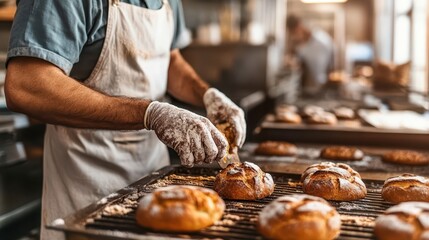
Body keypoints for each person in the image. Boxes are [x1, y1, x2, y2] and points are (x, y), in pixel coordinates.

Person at [4, 0, 246, 239]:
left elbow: (169, 60)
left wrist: (207, 95)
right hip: (87, 189)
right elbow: (27, 84)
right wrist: (149, 113)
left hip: (157, 183)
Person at [286, 14, 334, 96]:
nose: (294, 35)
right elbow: (299, 66)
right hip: (307, 90)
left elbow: (332, 64)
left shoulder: (322, 40)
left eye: (294, 32)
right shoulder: (300, 47)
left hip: (324, 88)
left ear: (299, 26)